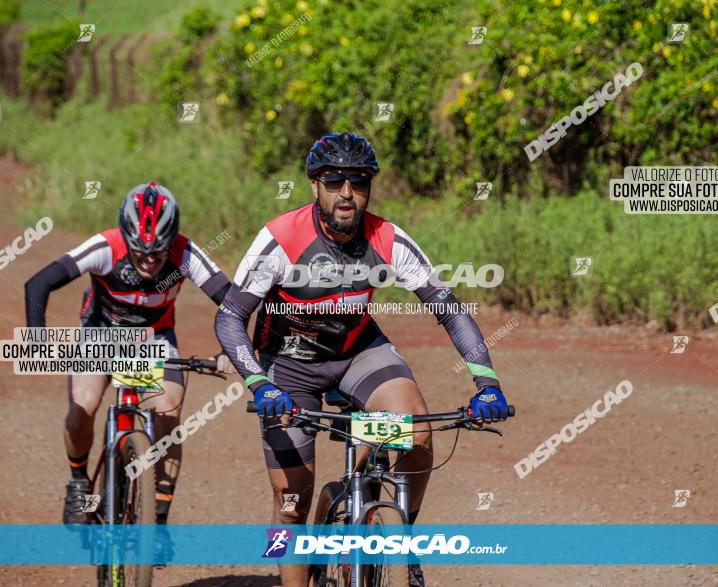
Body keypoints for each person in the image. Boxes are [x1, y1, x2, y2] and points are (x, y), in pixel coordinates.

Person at [215, 132, 510, 587]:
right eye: (334, 181)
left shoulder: (387, 237)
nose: (347, 193)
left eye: (358, 181)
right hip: (288, 367)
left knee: (416, 429)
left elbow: (450, 311)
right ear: (315, 185)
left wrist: (487, 384)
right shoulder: (281, 238)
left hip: (357, 351)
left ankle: (401, 543)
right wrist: (259, 384)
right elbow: (231, 318)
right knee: (292, 501)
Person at [24, 182, 236, 526]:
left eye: (159, 252)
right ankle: (79, 481)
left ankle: (159, 517)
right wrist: (38, 339)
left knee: (167, 413)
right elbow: (38, 283)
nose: (150, 260)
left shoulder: (185, 253)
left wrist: (230, 348)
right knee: (85, 406)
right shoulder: (106, 246)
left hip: (154, 340)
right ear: (126, 237)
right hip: (101, 336)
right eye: (141, 252)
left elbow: (233, 302)